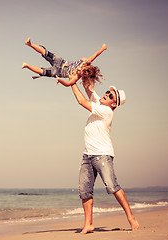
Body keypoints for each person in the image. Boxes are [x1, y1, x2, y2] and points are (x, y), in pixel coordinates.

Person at [56, 72, 140, 234]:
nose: (106, 94)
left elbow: (81, 101)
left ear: (113, 104)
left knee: (112, 186)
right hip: (87, 155)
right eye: (107, 92)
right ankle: (88, 224)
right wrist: (82, 72)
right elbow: (88, 88)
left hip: (102, 154)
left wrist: (71, 82)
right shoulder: (100, 104)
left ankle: (131, 217)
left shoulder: (106, 112)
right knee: (84, 190)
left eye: (109, 95)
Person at [21, 37, 106, 88]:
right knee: (45, 52)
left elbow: (68, 84)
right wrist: (103, 48)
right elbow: (95, 54)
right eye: (80, 69)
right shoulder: (86, 62)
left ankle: (27, 66)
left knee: (42, 72)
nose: (78, 71)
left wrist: (60, 80)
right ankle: (30, 44)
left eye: (80, 73)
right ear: (85, 66)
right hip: (61, 62)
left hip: (59, 72)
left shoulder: (77, 76)